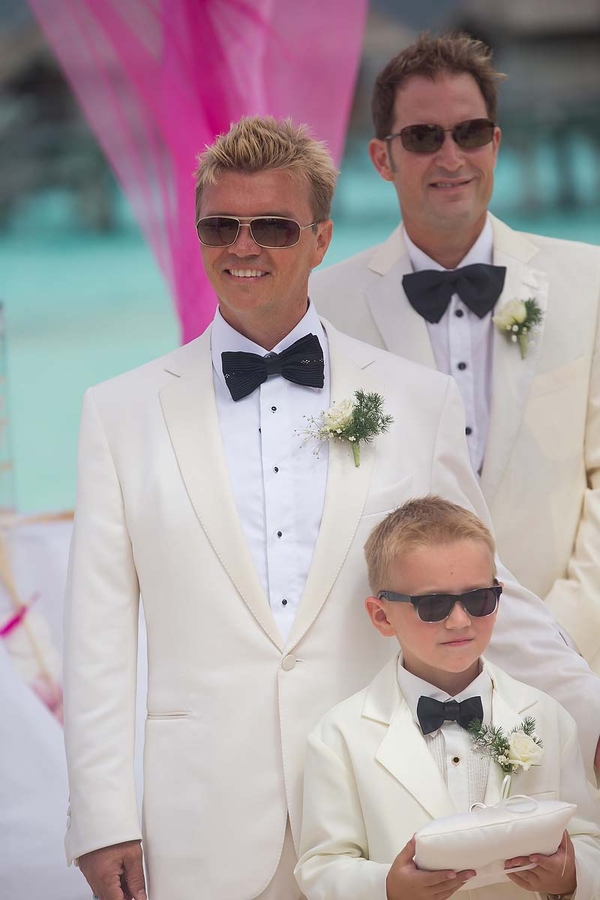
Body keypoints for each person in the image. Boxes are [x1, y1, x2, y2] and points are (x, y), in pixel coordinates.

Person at [63, 115, 600, 900]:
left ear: (320, 239)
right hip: (202, 818)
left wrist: (592, 712)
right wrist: (102, 817)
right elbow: (98, 637)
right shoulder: (119, 412)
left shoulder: (416, 401)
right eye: (220, 226)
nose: (243, 246)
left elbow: (487, 589)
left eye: (274, 227)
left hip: (379, 810)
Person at [309, 32, 600, 674]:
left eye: (469, 133)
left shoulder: (591, 283)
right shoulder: (323, 308)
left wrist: (563, 632)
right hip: (396, 673)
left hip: (574, 660)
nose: (451, 156)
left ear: (495, 143)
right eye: (423, 137)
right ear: (382, 158)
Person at [295, 496, 600, 900]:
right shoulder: (339, 736)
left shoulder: (548, 717)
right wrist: (386, 887)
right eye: (433, 604)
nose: (460, 621)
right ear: (382, 616)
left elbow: (589, 839)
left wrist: (572, 876)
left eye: (478, 599)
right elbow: (322, 867)